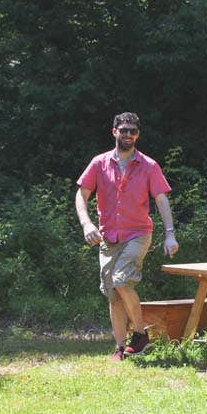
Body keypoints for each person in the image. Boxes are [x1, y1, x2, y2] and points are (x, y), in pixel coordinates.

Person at [73, 112, 179, 360]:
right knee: (112, 292)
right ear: (114, 132)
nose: (128, 135)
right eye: (124, 130)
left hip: (138, 234)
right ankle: (120, 349)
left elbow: (161, 200)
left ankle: (140, 335)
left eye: (133, 131)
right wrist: (87, 224)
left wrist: (170, 234)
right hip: (108, 237)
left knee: (121, 281)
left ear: (138, 135)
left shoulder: (149, 166)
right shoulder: (99, 163)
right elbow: (81, 195)